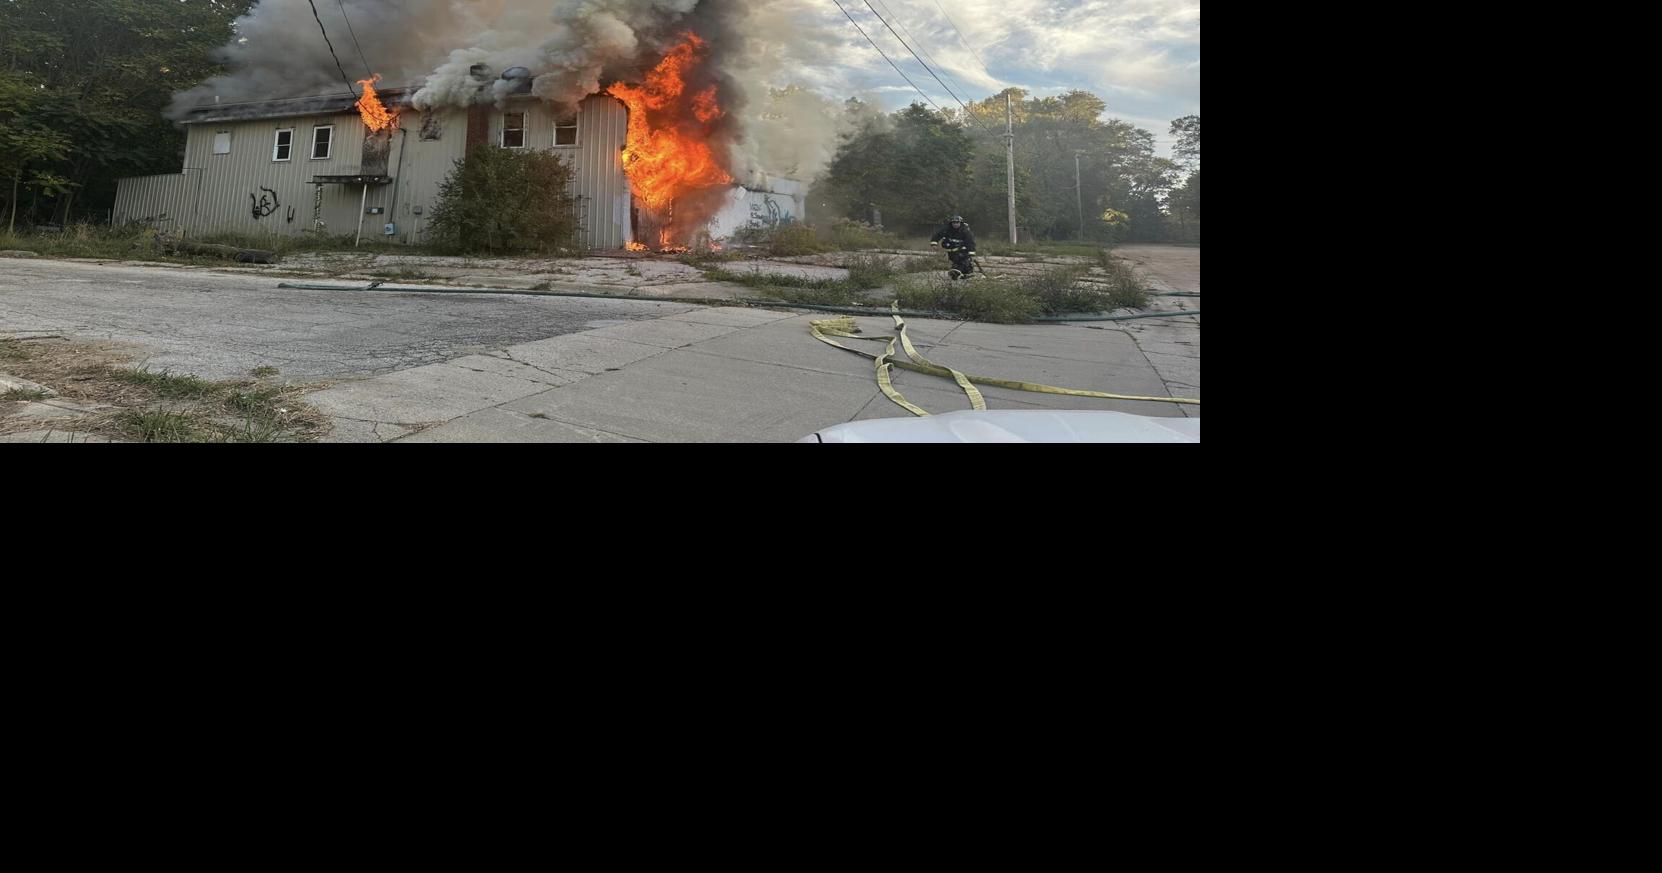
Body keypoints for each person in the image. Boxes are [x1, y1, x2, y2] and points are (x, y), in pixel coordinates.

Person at [930, 215, 978, 279]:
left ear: (960, 223)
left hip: (963, 252)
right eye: (953, 223)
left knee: (961, 262)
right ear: (951, 223)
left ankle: (958, 273)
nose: (955, 224)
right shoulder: (946, 230)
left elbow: (971, 243)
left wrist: (971, 254)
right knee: (958, 264)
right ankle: (965, 274)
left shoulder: (965, 231)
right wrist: (934, 244)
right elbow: (937, 235)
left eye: (957, 222)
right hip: (951, 252)